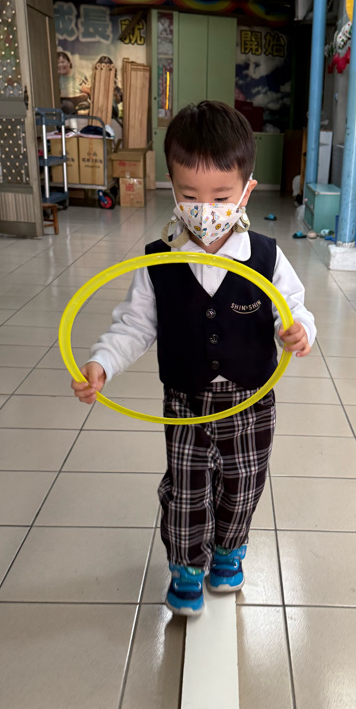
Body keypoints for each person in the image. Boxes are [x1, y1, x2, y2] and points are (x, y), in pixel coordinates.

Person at [71, 101, 316, 616]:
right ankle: (186, 565)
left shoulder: (267, 257)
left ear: (246, 190)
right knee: (186, 491)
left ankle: (228, 551)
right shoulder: (158, 260)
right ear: (171, 188)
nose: (205, 209)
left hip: (251, 400)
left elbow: (292, 309)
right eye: (189, 195)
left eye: (221, 196)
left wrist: (298, 331)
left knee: (243, 485)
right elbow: (135, 325)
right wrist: (102, 363)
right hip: (186, 401)